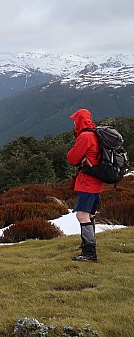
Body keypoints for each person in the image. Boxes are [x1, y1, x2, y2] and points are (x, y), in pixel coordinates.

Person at [67, 108, 104, 263]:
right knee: (90, 214)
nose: (74, 123)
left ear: (80, 121)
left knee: (82, 215)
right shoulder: (95, 133)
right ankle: (87, 244)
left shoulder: (86, 136)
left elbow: (72, 158)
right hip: (97, 180)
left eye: (76, 120)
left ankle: (90, 252)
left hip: (88, 181)